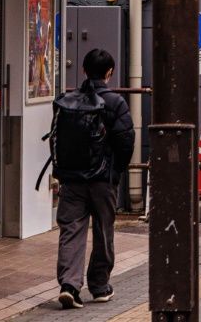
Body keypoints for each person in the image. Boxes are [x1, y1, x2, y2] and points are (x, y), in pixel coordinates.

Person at [54, 48, 134, 311]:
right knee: (103, 230)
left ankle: (69, 286)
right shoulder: (115, 103)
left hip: (72, 179)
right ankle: (99, 286)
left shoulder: (67, 101)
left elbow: (56, 138)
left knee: (71, 230)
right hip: (102, 179)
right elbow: (125, 141)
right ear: (109, 73)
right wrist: (115, 173)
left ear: (84, 71)